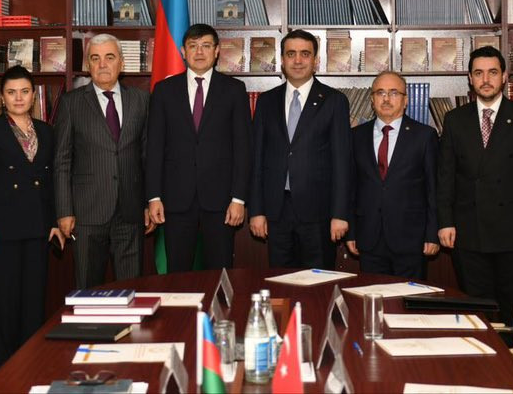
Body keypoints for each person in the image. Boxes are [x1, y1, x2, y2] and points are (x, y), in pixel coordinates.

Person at [437, 45, 513, 326]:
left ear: (505, 76)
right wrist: (445, 222)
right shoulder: (455, 120)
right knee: (477, 309)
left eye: (493, 72)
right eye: (479, 73)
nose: (486, 80)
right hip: (468, 232)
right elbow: (446, 176)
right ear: (470, 79)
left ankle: (510, 355)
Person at [0, 65, 62, 374]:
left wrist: (54, 222)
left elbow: (51, 182)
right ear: (2, 97)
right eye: (11, 92)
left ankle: (31, 364)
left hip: (38, 228)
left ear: (33, 95)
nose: (18, 97)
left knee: (33, 301)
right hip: (2, 230)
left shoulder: (47, 131)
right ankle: (2, 370)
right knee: (3, 303)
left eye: (24, 91)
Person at [146, 24, 252, 271]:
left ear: (217, 51)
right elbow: (154, 147)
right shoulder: (164, 91)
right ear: (183, 51)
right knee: (178, 274)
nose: (199, 52)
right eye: (193, 46)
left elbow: (243, 148)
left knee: (220, 271)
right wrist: (154, 196)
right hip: (175, 200)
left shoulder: (234, 90)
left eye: (206, 46)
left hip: (221, 201)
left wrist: (238, 198)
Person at [54, 33, 152, 289]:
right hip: (87, 213)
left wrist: (148, 202)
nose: (102, 64)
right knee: (88, 289)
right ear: (88, 65)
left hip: (130, 211)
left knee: (131, 289)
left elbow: (147, 156)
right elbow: (62, 161)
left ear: (122, 63)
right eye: (95, 58)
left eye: (109, 57)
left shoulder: (141, 100)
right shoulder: (71, 103)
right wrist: (64, 210)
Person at [249, 29, 352, 269]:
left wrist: (340, 213)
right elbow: (257, 159)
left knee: (318, 282)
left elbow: (342, 162)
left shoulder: (334, 101)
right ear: (282, 60)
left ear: (316, 60)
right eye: (291, 54)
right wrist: (256, 210)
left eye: (305, 54)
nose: (297, 60)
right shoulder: (266, 101)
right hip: (276, 211)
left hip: (319, 213)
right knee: (280, 281)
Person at [346, 71, 439, 280]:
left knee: (409, 298)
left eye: (394, 93)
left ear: (406, 100)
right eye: (380, 93)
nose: (386, 99)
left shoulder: (424, 136)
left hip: (411, 239)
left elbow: (433, 189)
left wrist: (432, 234)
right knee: (372, 296)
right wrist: (351, 231)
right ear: (372, 100)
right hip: (369, 237)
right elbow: (351, 188)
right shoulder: (356, 136)